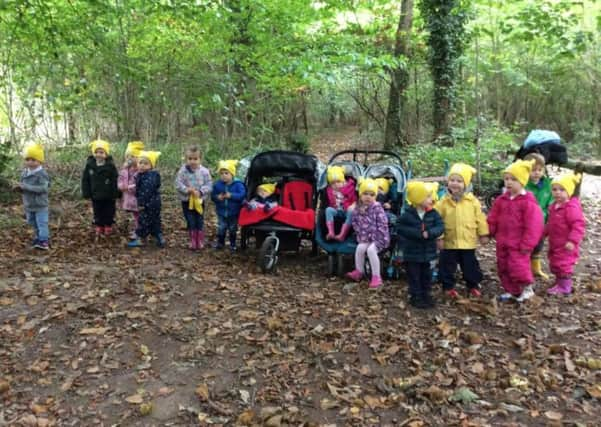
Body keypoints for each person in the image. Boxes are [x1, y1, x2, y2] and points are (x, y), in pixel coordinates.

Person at [487, 159, 544, 302]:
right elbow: (493, 217)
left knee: (518, 267)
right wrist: (489, 232)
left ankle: (527, 289)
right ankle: (512, 290)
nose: (509, 182)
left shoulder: (528, 202)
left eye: (513, 179)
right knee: (503, 266)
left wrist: (528, 244)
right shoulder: (501, 200)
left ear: (522, 181)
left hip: (519, 244)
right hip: (503, 242)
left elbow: (534, 225)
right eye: (506, 179)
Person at [435, 163, 489, 298]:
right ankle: (447, 286)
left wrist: (483, 234)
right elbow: (436, 220)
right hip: (449, 241)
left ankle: (473, 285)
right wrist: (439, 237)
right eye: (452, 180)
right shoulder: (442, 203)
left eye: (459, 181)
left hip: (467, 241)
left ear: (466, 184)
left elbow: (480, 218)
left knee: (470, 266)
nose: (455, 184)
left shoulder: (472, 202)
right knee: (446, 266)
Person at [398, 181, 444, 308]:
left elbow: (440, 226)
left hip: (428, 252)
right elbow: (400, 227)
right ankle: (416, 296)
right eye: (428, 196)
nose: (432, 199)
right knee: (414, 275)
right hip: (412, 253)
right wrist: (416, 233)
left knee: (427, 275)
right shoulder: (408, 214)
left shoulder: (433, 214)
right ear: (418, 198)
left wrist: (430, 233)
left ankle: (426, 294)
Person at [545, 174, 586, 295]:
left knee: (563, 264)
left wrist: (572, 241)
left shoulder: (571, 208)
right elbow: (550, 224)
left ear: (569, 191)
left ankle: (565, 287)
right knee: (555, 262)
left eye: (562, 190)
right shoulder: (554, 206)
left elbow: (578, 225)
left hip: (566, 244)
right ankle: (559, 282)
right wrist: (542, 233)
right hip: (555, 242)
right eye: (554, 189)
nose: (557, 192)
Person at [345, 178, 390, 289]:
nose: (368, 197)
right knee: (360, 248)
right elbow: (354, 222)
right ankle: (359, 271)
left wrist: (377, 237)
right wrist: (360, 233)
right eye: (365, 194)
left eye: (372, 194)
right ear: (360, 194)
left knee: (371, 250)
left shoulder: (377, 208)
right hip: (365, 237)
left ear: (375, 196)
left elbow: (383, 224)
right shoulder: (358, 208)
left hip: (380, 237)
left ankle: (376, 277)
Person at [14, 143, 50, 250]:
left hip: (40, 204)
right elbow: (23, 187)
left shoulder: (42, 174)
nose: (30, 162)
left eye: (33, 160)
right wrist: (19, 188)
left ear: (40, 161)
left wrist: (26, 186)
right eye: (28, 159)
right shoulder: (24, 173)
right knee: (32, 222)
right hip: (28, 204)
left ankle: (44, 240)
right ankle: (38, 237)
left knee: (42, 223)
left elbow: (43, 189)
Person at [175, 146, 212, 250]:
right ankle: (192, 240)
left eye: (195, 159)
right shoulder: (183, 171)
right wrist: (187, 189)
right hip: (187, 201)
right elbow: (178, 184)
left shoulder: (204, 171)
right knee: (190, 220)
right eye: (190, 159)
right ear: (186, 159)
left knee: (199, 219)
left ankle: (199, 240)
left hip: (199, 201)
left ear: (200, 159)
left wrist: (200, 191)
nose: (192, 161)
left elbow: (209, 184)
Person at [523, 153, 553, 280]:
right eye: (533, 170)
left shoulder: (547, 184)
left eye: (540, 170)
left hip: (542, 221)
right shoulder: (523, 184)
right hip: (526, 223)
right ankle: (523, 269)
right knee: (525, 247)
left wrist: (551, 213)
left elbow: (551, 201)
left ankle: (536, 269)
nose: (537, 173)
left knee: (538, 245)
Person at [81, 140, 119, 237]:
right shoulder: (90, 166)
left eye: (101, 152)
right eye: (96, 152)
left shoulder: (110, 166)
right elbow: (85, 180)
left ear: (106, 154)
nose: (98, 154)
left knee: (109, 210)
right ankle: (99, 225)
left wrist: (116, 193)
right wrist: (86, 193)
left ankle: (108, 225)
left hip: (108, 195)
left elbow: (115, 179)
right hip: (95, 194)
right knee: (97, 210)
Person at [127, 151, 164, 248]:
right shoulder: (146, 175)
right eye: (140, 163)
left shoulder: (150, 176)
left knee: (143, 220)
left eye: (146, 163)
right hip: (155, 202)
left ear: (151, 165)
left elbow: (146, 190)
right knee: (155, 219)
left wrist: (141, 204)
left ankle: (141, 239)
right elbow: (142, 186)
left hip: (148, 203)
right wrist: (134, 186)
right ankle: (158, 236)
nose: (142, 166)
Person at [211, 160, 246, 251]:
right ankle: (220, 243)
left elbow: (242, 195)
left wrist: (231, 195)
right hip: (221, 211)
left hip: (233, 212)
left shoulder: (238, 184)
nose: (224, 175)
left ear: (232, 174)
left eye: (226, 173)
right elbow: (213, 196)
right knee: (221, 228)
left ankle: (233, 244)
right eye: (221, 173)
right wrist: (217, 197)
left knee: (232, 229)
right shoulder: (218, 185)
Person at [118, 141, 144, 239]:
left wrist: (132, 187)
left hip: (137, 198)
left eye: (133, 156)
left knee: (139, 215)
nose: (130, 159)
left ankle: (139, 232)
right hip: (128, 197)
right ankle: (137, 230)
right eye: (128, 156)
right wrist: (122, 186)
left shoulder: (141, 171)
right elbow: (120, 180)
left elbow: (141, 184)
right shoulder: (124, 170)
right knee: (134, 215)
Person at [325, 165, 357, 241]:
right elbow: (330, 203)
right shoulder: (330, 191)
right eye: (333, 183)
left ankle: (342, 235)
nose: (336, 185)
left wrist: (353, 205)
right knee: (328, 210)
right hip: (337, 210)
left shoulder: (350, 188)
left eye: (338, 182)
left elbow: (356, 200)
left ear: (343, 181)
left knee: (351, 211)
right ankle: (331, 232)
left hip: (347, 210)